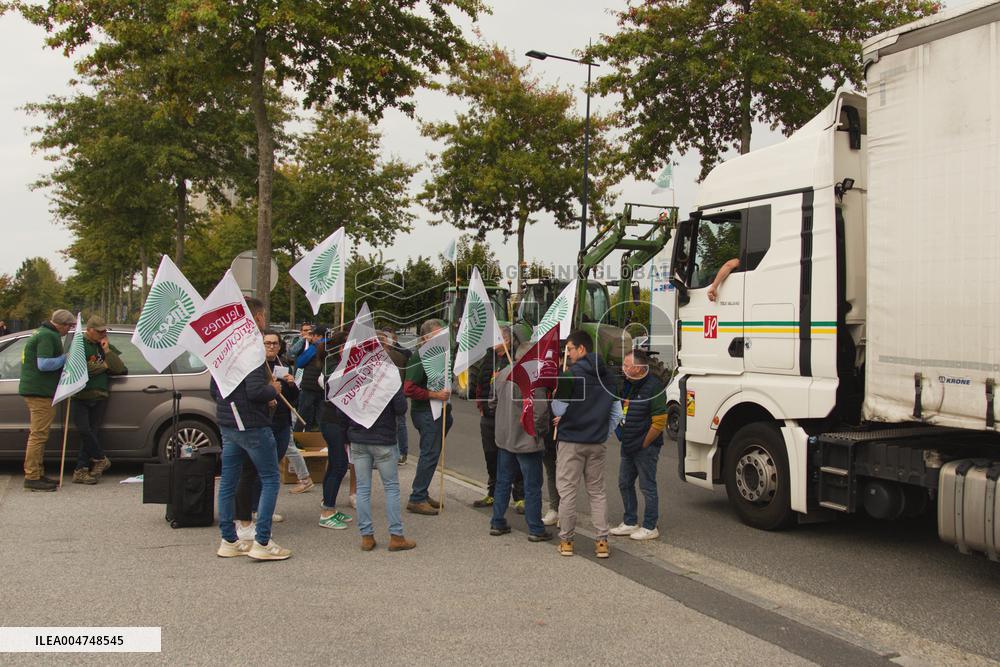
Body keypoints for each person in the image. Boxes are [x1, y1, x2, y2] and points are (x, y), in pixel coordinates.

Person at [215, 297, 290, 561]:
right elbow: (257, 390)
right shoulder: (253, 350)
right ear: (257, 318)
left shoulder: (223, 349)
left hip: (228, 421)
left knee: (229, 480)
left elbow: (215, 388)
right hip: (252, 423)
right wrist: (275, 388)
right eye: (263, 316)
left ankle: (229, 540)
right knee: (270, 479)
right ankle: (262, 542)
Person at [233, 331, 303, 539]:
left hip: (282, 422)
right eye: (267, 343)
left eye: (275, 343)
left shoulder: (283, 366)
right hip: (264, 423)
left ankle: (264, 509)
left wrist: (291, 384)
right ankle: (253, 510)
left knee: (273, 467)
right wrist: (268, 394)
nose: (271, 347)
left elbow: (294, 398)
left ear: (280, 347)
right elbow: (252, 394)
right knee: (256, 471)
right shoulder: (256, 367)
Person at [553, 330, 616, 558]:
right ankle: (602, 542)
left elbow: (558, 409)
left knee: (568, 492)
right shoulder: (607, 376)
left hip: (571, 440)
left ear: (581, 349)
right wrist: (602, 432)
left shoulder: (570, 375)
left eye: (569, 349)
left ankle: (567, 541)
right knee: (597, 492)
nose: (567, 354)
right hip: (596, 441)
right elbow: (616, 413)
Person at [488, 341, 552, 542]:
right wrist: (539, 433)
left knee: (503, 481)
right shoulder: (533, 378)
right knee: (532, 486)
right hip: (527, 439)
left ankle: (497, 521)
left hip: (505, 437)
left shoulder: (502, 374)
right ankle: (535, 528)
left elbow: (492, 403)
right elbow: (540, 412)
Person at [348, 377, 415, 552]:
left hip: (358, 436)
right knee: (391, 487)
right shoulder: (388, 376)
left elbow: (343, 410)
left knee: (362, 488)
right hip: (383, 438)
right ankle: (396, 536)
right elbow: (401, 408)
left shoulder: (355, 376)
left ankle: (367, 537)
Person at [609, 349, 667, 541]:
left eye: (627, 365)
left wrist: (644, 443)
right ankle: (630, 521)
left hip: (644, 447)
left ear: (638, 367)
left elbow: (659, 422)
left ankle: (650, 526)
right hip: (628, 444)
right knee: (624, 483)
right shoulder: (629, 385)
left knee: (647, 486)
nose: (623, 368)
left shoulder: (654, 387)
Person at [18, 309, 75, 491]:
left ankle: (37, 473)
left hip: (39, 390)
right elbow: (43, 364)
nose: (69, 330)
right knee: (38, 435)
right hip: (39, 392)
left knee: (39, 435)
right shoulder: (48, 336)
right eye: (69, 326)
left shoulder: (44, 333)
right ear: (62, 325)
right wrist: (66, 358)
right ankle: (32, 476)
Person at [473, 327, 525, 512]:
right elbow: (479, 383)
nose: (492, 342)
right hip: (488, 417)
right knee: (491, 456)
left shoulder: (515, 358)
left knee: (514, 456)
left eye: (496, 338)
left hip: (507, 416)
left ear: (507, 340)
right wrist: (481, 405)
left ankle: (520, 496)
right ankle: (492, 492)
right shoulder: (489, 357)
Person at [71, 316, 127, 485]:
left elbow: (120, 369)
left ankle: (80, 470)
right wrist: (103, 367)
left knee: (92, 432)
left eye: (104, 331)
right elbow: (79, 369)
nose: (103, 334)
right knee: (84, 430)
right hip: (80, 395)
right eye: (100, 331)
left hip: (100, 395)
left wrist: (108, 351)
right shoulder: (79, 344)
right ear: (89, 330)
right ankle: (100, 458)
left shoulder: (103, 346)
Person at [404, 319, 452, 516]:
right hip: (426, 412)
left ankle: (422, 492)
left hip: (441, 411)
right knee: (429, 454)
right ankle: (417, 497)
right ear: (425, 337)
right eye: (437, 335)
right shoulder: (419, 357)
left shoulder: (440, 356)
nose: (442, 338)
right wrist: (434, 395)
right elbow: (408, 388)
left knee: (432, 455)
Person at [318, 330, 353, 530]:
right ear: (341, 346)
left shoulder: (339, 362)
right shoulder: (331, 363)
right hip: (332, 420)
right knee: (339, 465)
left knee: (335, 464)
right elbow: (335, 384)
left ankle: (327, 504)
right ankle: (327, 512)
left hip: (339, 420)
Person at [379, 330, 410, 465]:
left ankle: (398, 452)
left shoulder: (398, 355)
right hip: (398, 393)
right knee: (399, 424)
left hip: (390, 394)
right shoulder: (401, 355)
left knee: (396, 424)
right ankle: (401, 453)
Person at [294, 325, 326, 431]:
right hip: (324, 388)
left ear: (318, 336)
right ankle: (316, 439)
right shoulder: (333, 346)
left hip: (309, 386)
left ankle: (299, 437)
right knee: (320, 417)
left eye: (313, 335)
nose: (312, 338)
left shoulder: (315, 346)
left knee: (303, 414)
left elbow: (300, 362)